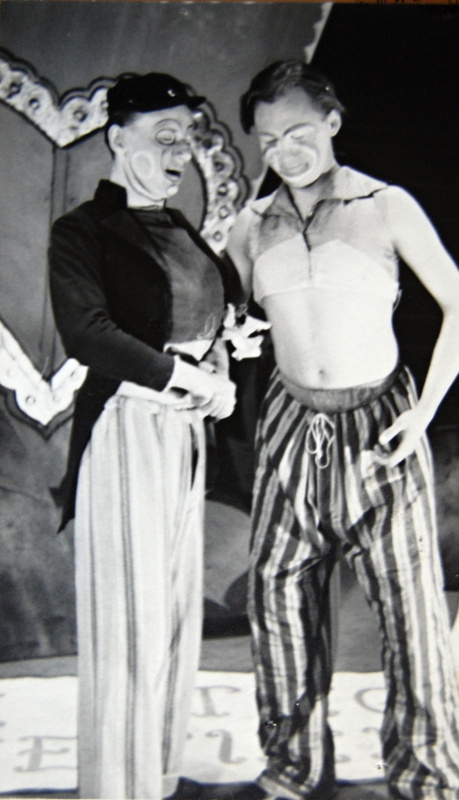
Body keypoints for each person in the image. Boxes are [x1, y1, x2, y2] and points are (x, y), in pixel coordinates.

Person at [226, 61, 459, 800]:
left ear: (333, 122)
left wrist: (423, 414)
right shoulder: (249, 226)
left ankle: (429, 778)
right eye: (269, 140)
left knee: (411, 612)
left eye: (299, 131)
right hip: (289, 424)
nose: (285, 151)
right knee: (278, 599)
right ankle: (293, 767)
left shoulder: (386, 205)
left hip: (381, 424)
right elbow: (228, 323)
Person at [48, 73, 238, 800]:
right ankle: (114, 789)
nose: (179, 152)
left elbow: (204, 322)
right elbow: (89, 334)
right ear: (116, 138)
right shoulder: (83, 231)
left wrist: (222, 361)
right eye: (164, 137)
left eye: (187, 138)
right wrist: (192, 378)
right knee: (129, 623)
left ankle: (153, 780)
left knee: (175, 617)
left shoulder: (180, 229)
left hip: (185, 437)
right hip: (126, 430)